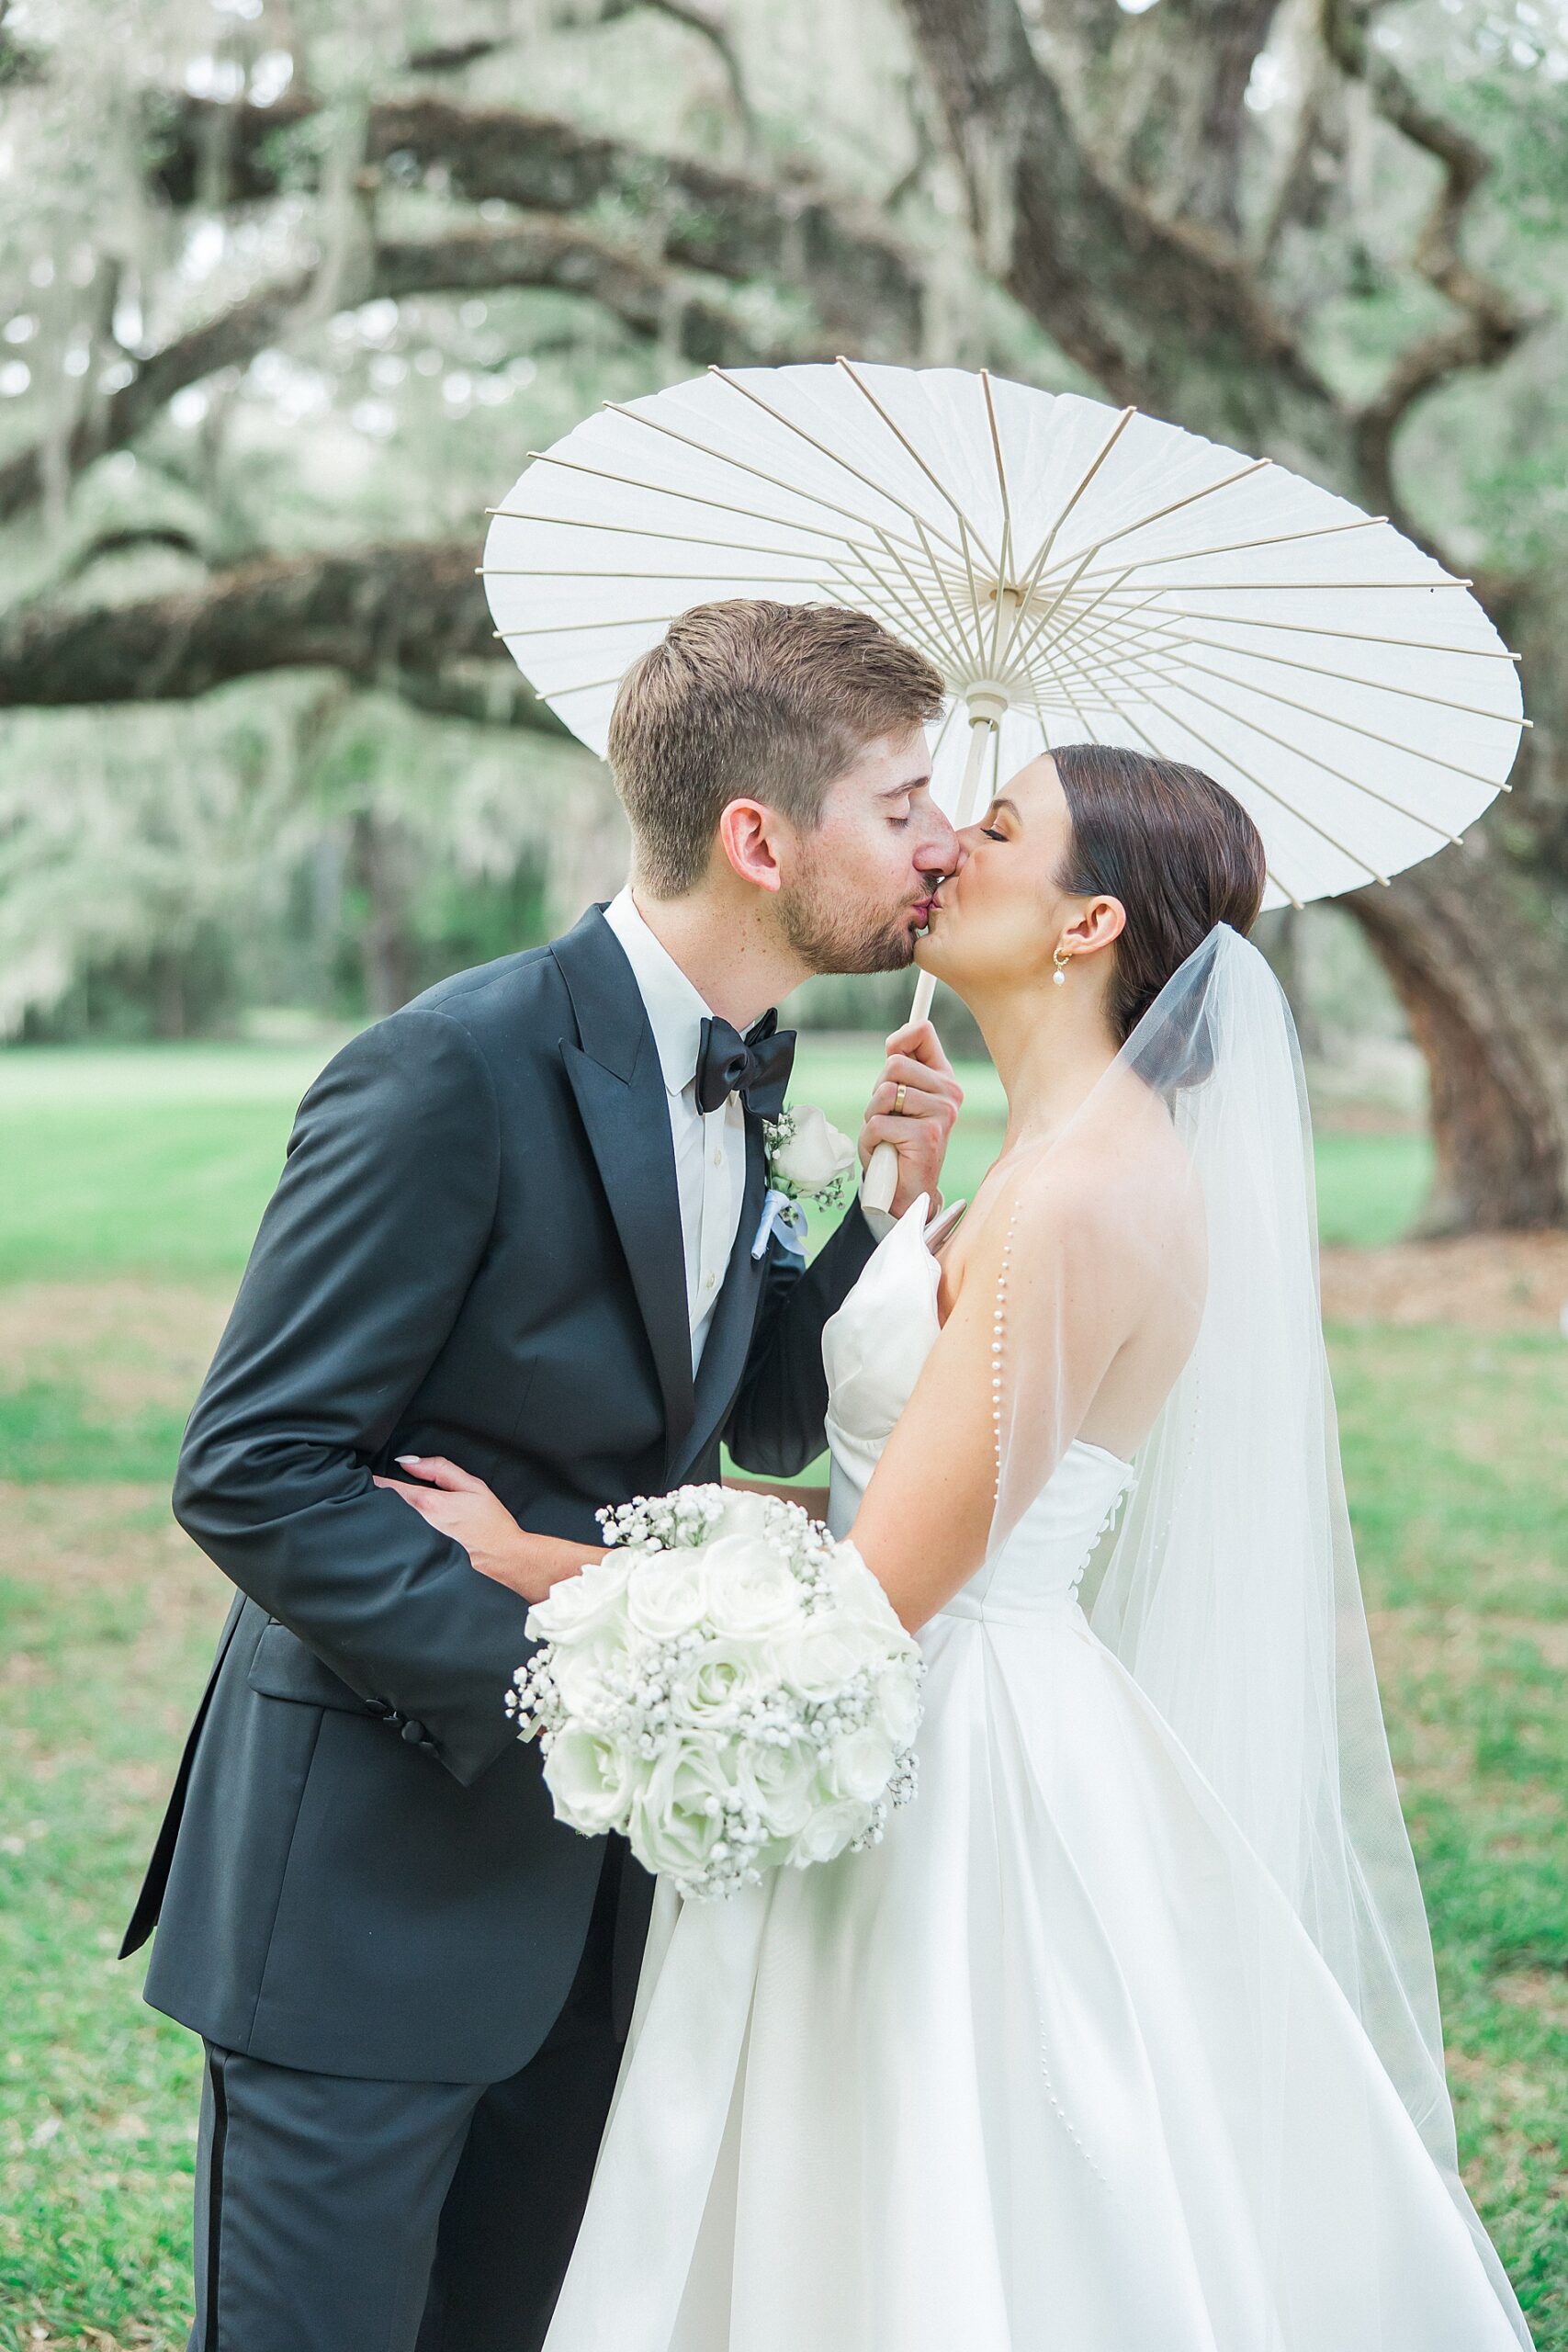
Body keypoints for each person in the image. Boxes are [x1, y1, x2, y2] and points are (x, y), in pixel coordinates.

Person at [424, 743, 1535, 2349]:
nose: (945, 848)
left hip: (949, 1754)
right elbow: (902, 1492)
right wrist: (897, 1217)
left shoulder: (1077, 1198)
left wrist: (536, 1564)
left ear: (1085, 927)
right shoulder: (1048, 1166)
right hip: (962, 1691)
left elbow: (876, 1593)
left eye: (996, 829)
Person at [119, 598, 969, 2352]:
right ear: (758, 838)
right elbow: (256, 1469)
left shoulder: (762, 1066)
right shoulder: (450, 1069)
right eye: (903, 803)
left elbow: (762, 1423)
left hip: (600, 1914)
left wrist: (871, 1220)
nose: (945, 842)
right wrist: (570, 1680)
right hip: (364, 1889)